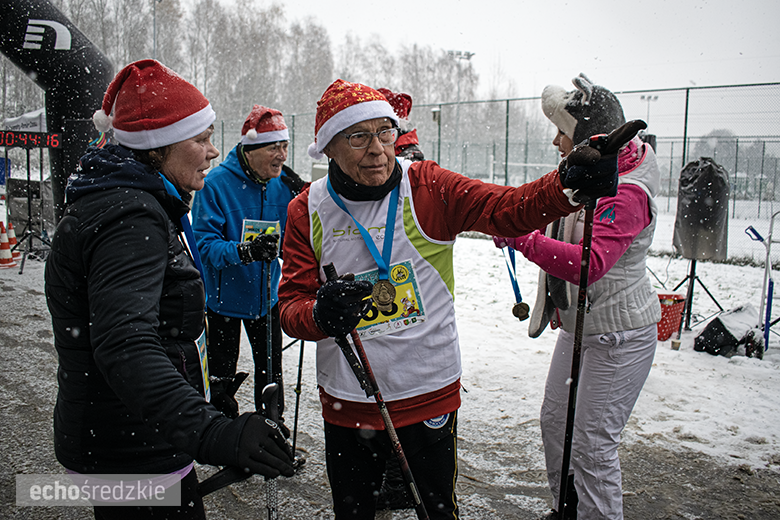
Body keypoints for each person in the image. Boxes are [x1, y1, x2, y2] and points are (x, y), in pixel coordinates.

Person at [277, 78, 623, 519]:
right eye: (358, 136)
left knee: (438, 511)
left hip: (428, 390)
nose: (378, 149)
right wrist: (320, 314)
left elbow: (507, 208)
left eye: (385, 132)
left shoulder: (427, 187)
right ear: (329, 148)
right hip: (349, 398)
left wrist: (566, 186)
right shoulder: (306, 208)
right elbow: (290, 308)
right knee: (353, 511)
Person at [44, 59, 294, 520]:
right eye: (200, 139)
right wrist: (213, 432)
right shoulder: (129, 217)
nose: (212, 151)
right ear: (156, 148)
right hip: (132, 444)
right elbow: (125, 344)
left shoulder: (135, 201)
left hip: (135, 432)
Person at [494, 74, 662, 520]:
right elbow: (551, 216)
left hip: (619, 335)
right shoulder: (590, 168)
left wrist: (521, 239)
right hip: (579, 325)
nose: (555, 141)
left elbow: (591, 264)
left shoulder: (626, 191)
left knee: (591, 445)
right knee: (555, 425)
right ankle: (566, 510)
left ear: (589, 138)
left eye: (562, 132)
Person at [192, 105, 305, 424]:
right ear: (250, 150)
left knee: (272, 370)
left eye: (285, 146)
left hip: (267, 297)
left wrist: (305, 194)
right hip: (224, 299)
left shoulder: (282, 184)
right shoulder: (215, 184)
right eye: (274, 147)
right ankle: (222, 431)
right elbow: (203, 245)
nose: (282, 155)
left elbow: (298, 237)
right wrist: (245, 251)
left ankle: (272, 426)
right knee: (221, 372)